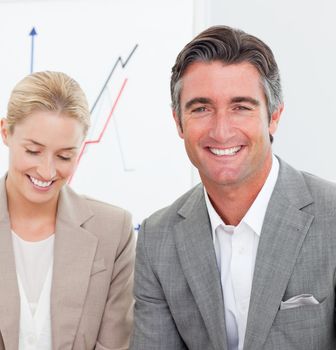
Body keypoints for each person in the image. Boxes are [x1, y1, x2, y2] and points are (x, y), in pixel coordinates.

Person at [131, 25, 336, 350]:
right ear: (178, 122)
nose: (221, 130)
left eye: (241, 107)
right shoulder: (158, 238)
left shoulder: (331, 217)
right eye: (201, 109)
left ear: (274, 117)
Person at [0, 71, 135, 349]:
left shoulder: (113, 231)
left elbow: (115, 344)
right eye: (33, 151)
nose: (47, 171)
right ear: (5, 132)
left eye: (65, 156)